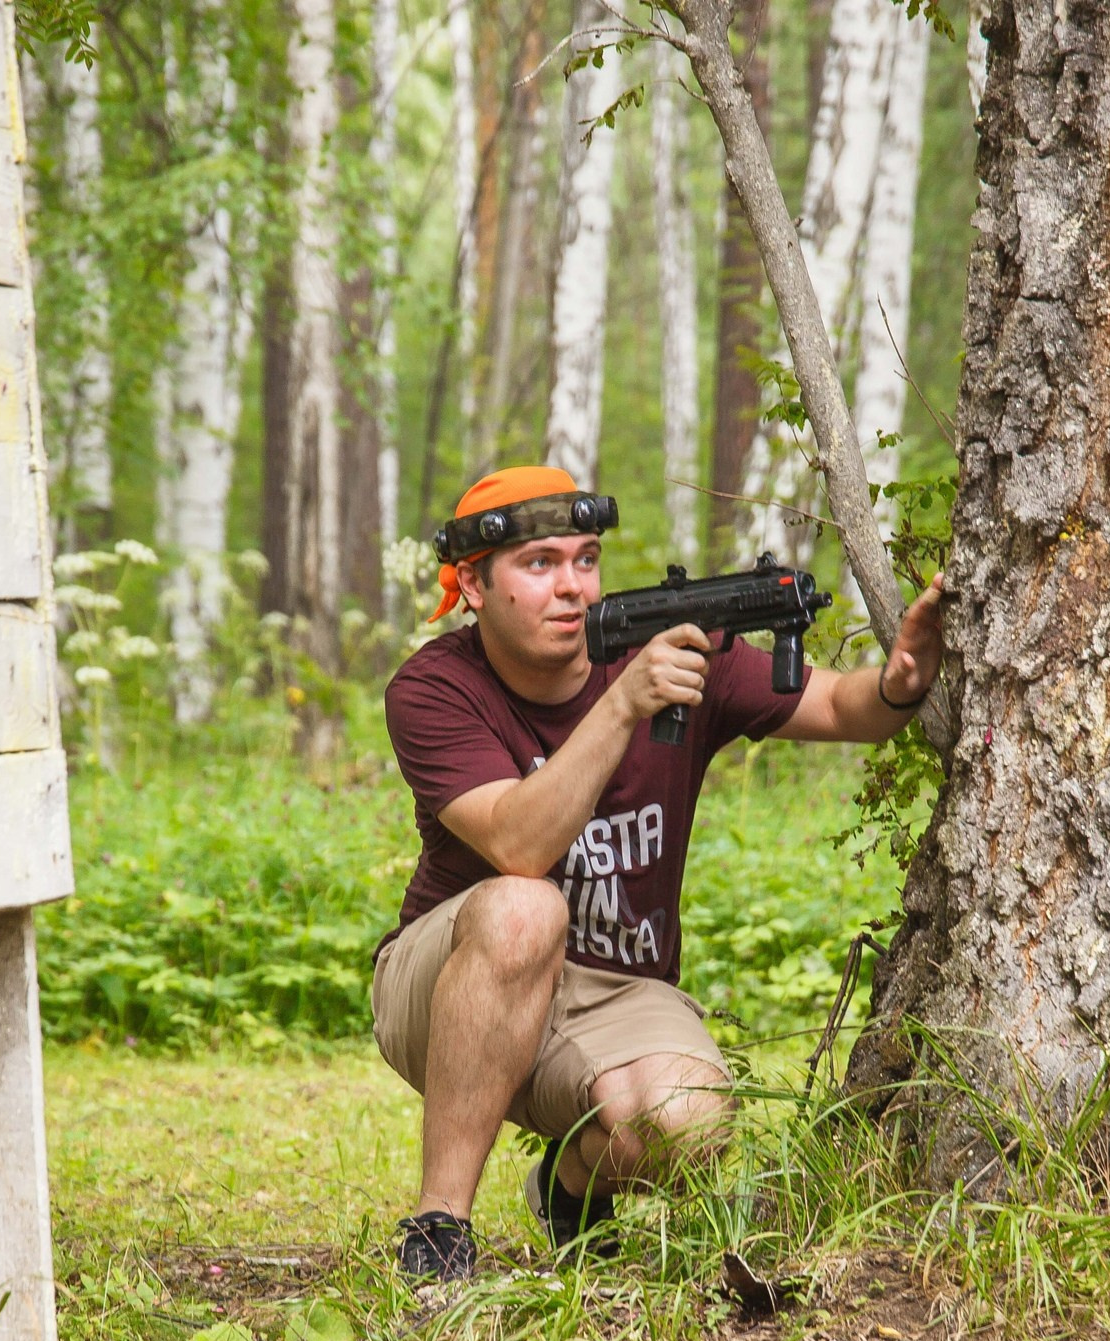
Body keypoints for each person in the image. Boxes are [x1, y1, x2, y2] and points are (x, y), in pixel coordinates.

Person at [372, 465, 945, 1280]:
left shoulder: (673, 649)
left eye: (586, 558)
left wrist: (902, 680)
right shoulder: (435, 687)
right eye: (539, 565)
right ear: (471, 583)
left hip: (613, 987)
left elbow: (846, 710)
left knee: (691, 1124)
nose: (570, 586)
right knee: (524, 910)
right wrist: (622, 705)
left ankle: (567, 1186)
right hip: (452, 978)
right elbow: (517, 844)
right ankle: (439, 1231)